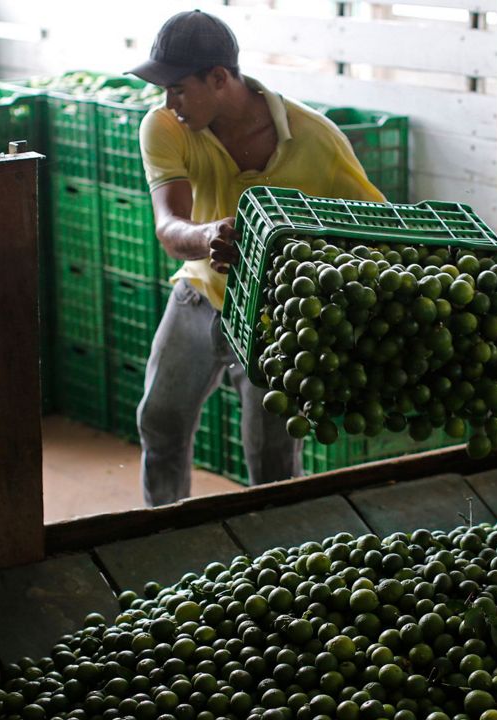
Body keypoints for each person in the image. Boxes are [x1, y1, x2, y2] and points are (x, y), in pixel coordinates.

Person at [128, 9, 385, 506]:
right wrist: (206, 237)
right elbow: (169, 224)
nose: (168, 101)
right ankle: (159, 531)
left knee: (271, 462)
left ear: (219, 78)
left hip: (278, 319)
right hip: (200, 296)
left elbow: (370, 230)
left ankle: (274, 559)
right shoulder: (166, 126)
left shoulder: (318, 140)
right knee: (159, 424)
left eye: (178, 87)